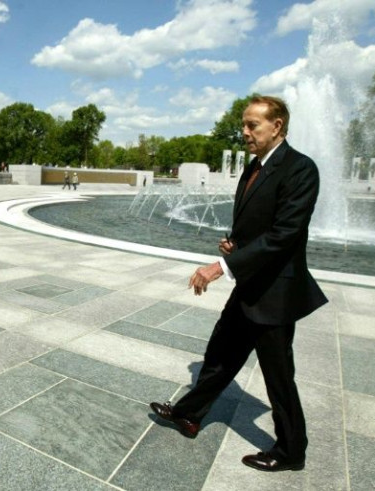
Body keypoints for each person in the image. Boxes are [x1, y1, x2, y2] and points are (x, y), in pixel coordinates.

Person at [150, 95, 327, 473]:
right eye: (244, 125)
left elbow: (284, 234)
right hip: (250, 284)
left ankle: (292, 451)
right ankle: (189, 414)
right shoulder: (254, 167)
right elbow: (259, 224)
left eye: (252, 125)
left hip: (276, 292)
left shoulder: (300, 169)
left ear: (276, 126)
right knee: (220, 355)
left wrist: (222, 265)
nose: (244, 132)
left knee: (278, 377)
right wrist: (237, 244)